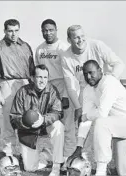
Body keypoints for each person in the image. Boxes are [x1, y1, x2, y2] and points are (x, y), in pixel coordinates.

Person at [68, 60, 126, 176]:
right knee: (125, 171)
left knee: (101, 123)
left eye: (91, 72)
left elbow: (101, 113)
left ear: (100, 71)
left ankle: (101, 171)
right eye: (85, 74)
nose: (88, 77)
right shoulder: (88, 90)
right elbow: (85, 121)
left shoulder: (108, 82)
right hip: (116, 126)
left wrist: (85, 116)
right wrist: (79, 146)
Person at [61, 25, 125, 159]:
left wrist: (111, 81)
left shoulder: (97, 45)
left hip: (104, 90)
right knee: (83, 126)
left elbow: (119, 63)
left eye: (82, 36)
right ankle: (85, 160)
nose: (80, 40)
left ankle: (104, 163)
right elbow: (70, 84)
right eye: (76, 37)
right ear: (69, 40)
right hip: (85, 92)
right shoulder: (66, 56)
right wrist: (78, 107)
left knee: (104, 126)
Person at [0, 19, 35, 154]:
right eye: (10, 31)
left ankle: (26, 154)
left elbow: (32, 70)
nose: (13, 34)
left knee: (27, 120)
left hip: (26, 84)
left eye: (16, 30)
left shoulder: (26, 46)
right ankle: (9, 155)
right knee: (9, 122)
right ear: (5, 31)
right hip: (7, 84)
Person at [10, 64, 65, 176]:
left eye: (45, 77)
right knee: (30, 168)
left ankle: (56, 166)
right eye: (39, 77)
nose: (42, 81)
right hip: (28, 130)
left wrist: (43, 120)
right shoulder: (22, 92)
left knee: (58, 126)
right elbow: (14, 117)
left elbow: (58, 112)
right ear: (32, 78)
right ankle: (45, 155)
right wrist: (27, 122)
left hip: (45, 125)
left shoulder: (52, 90)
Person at [35, 19, 76, 164]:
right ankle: (51, 155)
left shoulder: (63, 47)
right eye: (45, 30)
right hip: (47, 89)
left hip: (63, 85)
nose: (48, 33)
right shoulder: (40, 49)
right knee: (50, 124)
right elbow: (38, 72)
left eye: (51, 30)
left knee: (67, 124)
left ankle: (68, 158)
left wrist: (65, 95)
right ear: (42, 31)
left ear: (56, 30)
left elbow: (69, 73)